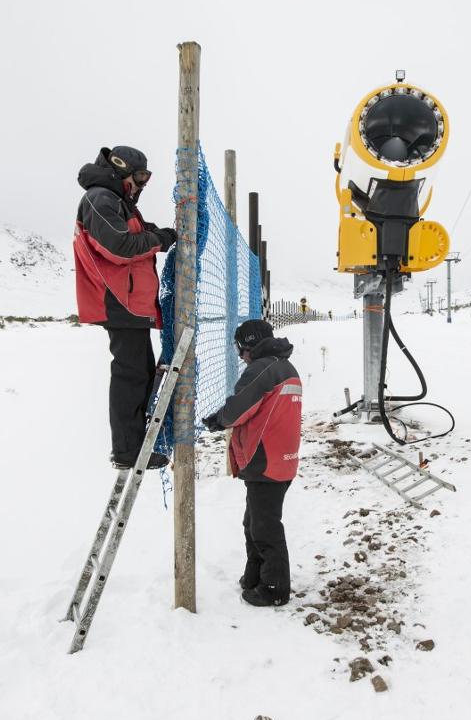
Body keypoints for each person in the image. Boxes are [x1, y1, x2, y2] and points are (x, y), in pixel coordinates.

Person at [73, 146, 177, 469]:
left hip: (129, 302)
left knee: (140, 372)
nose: (141, 185)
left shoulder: (116, 202)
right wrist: (159, 240)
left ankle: (135, 443)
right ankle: (127, 451)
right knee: (129, 374)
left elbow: (134, 235)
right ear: (121, 170)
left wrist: (159, 235)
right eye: (138, 177)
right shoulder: (100, 199)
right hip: (118, 300)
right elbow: (119, 246)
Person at [202, 320, 303, 607]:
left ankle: (274, 588)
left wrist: (217, 420)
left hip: (265, 458)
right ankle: (255, 576)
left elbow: (239, 408)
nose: (240, 354)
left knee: (264, 526)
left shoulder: (260, 370)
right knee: (255, 521)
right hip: (281, 457)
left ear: (248, 343)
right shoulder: (284, 367)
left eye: (240, 347)